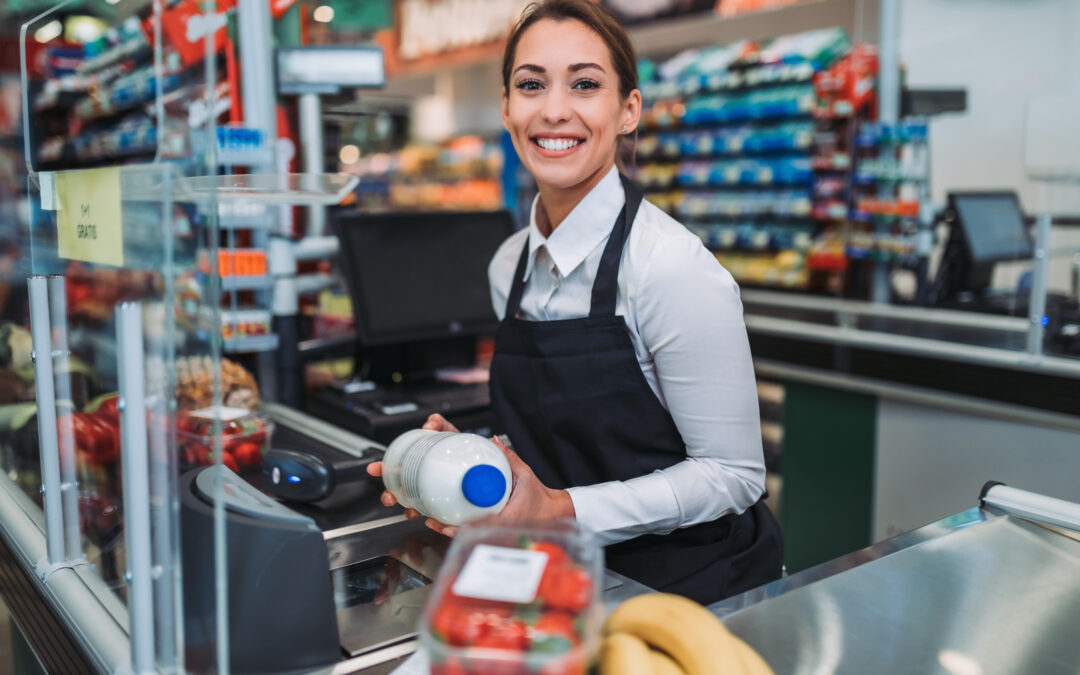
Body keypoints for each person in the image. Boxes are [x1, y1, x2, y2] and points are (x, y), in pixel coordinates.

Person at [369, 0, 782, 604]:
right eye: (531, 85)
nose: (554, 110)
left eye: (585, 84)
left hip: (692, 591)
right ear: (508, 108)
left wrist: (559, 509)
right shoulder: (508, 264)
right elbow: (565, 437)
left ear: (627, 111)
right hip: (558, 579)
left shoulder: (669, 268)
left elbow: (734, 476)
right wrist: (478, 461)